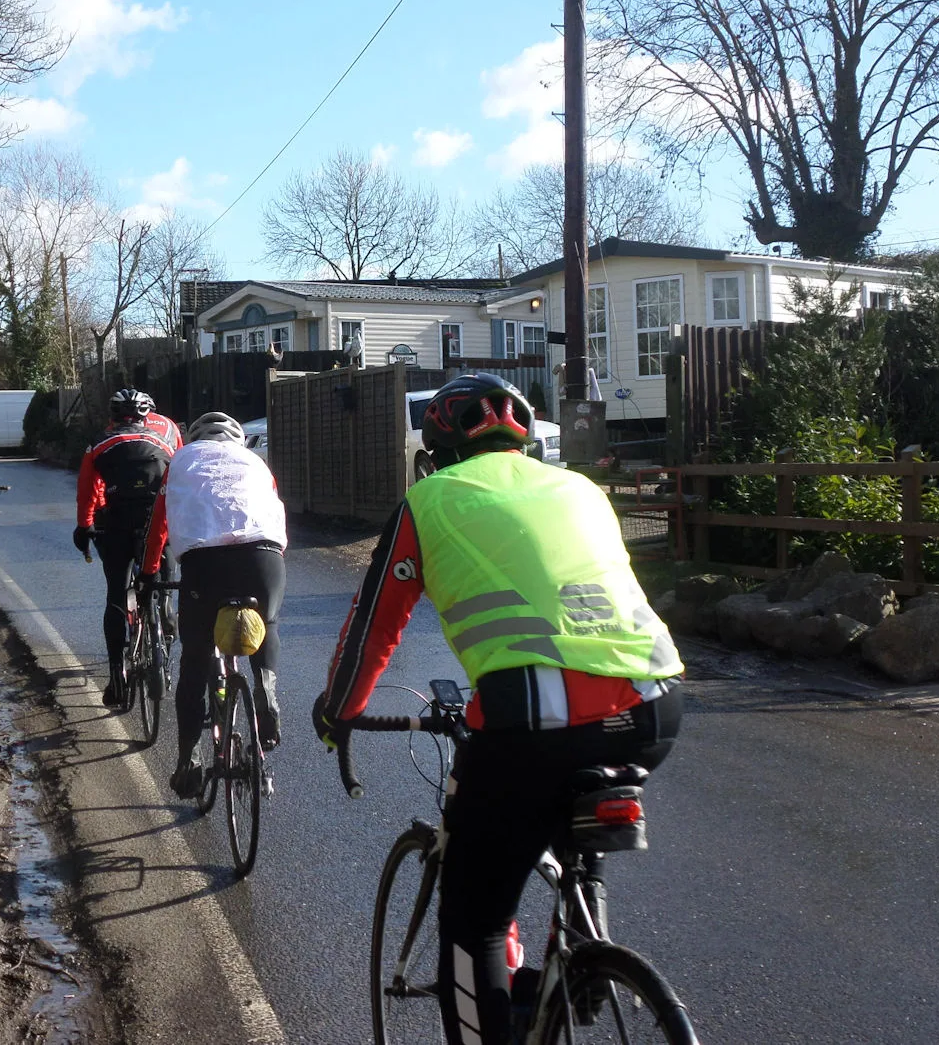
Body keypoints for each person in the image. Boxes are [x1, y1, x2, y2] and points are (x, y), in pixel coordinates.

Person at [312, 373, 684, 1045]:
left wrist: (338, 711)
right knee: (567, 807)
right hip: (655, 701)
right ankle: (578, 953)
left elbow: (374, 626)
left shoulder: (428, 499)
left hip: (531, 719)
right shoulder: (581, 489)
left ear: (437, 449)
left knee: (476, 918)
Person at [141, 411, 287, 798]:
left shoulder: (181, 462)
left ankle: (187, 761)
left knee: (195, 658)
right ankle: (266, 688)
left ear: (193, 441)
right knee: (267, 624)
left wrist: (149, 572)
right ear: (237, 442)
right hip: (265, 558)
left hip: (205, 564)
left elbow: (160, 526)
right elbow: (274, 510)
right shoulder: (256, 462)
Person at [74, 388, 180, 709]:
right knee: (160, 573)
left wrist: (85, 526)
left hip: (118, 523)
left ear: (112, 417)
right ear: (149, 416)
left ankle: (117, 678)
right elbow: (178, 483)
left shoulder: (99, 444)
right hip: (156, 521)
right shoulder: (164, 441)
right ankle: (164, 608)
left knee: (116, 596)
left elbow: (87, 489)